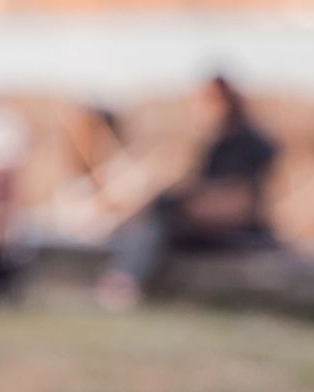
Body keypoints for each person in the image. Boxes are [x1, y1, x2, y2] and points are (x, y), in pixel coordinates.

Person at [96, 74, 280, 308]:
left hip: (240, 234)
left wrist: (186, 204)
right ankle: (124, 278)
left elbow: (238, 203)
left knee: (162, 212)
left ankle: (123, 282)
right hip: (208, 225)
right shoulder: (218, 143)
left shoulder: (249, 143)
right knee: (157, 213)